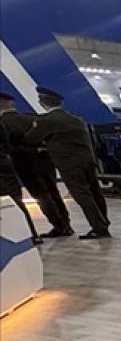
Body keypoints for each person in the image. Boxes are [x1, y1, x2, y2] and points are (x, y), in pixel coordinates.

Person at [26, 87, 111, 239]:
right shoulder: (76, 119)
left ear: (42, 103)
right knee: (95, 192)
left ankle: (99, 228)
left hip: (69, 163)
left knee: (82, 194)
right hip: (87, 160)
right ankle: (103, 223)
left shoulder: (46, 121)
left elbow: (30, 139)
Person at [0, 92, 72, 237]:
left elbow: (8, 146)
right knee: (54, 192)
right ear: (11, 103)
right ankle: (66, 224)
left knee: (41, 196)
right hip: (44, 160)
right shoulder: (31, 118)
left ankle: (58, 226)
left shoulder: (3, 122)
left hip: (24, 163)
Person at [0, 121, 41, 242]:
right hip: (3, 165)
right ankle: (30, 235)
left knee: (14, 202)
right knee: (16, 201)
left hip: (3, 168)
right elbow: (7, 145)